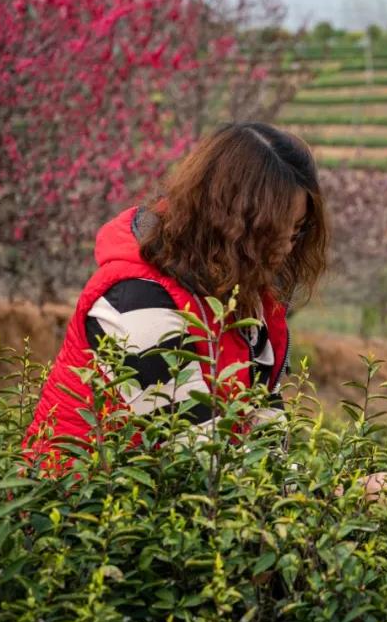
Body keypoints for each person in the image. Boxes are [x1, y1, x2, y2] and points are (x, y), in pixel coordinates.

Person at [23, 122, 328, 470]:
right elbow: (201, 460)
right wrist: (336, 494)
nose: (288, 247)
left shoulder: (242, 299)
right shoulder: (135, 303)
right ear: (228, 222)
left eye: (298, 229)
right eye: (275, 231)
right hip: (71, 511)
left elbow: (265, 440)